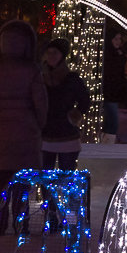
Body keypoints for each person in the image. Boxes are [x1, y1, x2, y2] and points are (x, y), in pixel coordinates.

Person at [0, 20, 48, 208]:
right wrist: (39, 123)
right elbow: (41, 102)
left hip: (1, 125)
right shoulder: (32, 69)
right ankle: (19, 221)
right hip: (27, 126)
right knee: (22, 181)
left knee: (1, 179)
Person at [40, 38, 90, 171]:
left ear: (62, 55)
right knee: (46, 179)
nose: (51, 56)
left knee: (67, 178)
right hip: (45, 134)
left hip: (67, 135)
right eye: (48, 53)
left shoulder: (71, 78)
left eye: (55, 53)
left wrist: (75, 115)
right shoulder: (40, 79)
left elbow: (84, 99)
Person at [101, 30, 127, 144]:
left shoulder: (118, 52)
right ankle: (108, 142)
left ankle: (107, 141)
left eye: (119, 39)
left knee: (110, 118)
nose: (118, 42)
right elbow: (113, 70)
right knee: (112, 119)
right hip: (109, 90)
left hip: (115, 90)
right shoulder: (109, 54)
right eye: (115, 39)